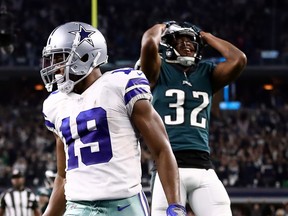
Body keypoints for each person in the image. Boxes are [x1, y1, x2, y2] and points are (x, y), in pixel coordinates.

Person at [39, 21, 187, 216]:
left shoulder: (120, 84)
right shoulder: (55, 104)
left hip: (122, 205)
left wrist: (175, 205)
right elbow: (63, 175)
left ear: (85, 55)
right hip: (77, 207)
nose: (55, 68)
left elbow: (161, 149)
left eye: (61, 58)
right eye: (53, 60)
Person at [138, 21, 247, 216]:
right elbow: (148, 43)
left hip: (203, 166)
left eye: (191, 41)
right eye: (180, 41)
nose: (187, 44)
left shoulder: (206, 72)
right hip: (168, 166)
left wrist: (205, 36)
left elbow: (238, 59)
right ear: (167, 45)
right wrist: (162, 26)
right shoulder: (158, 69)